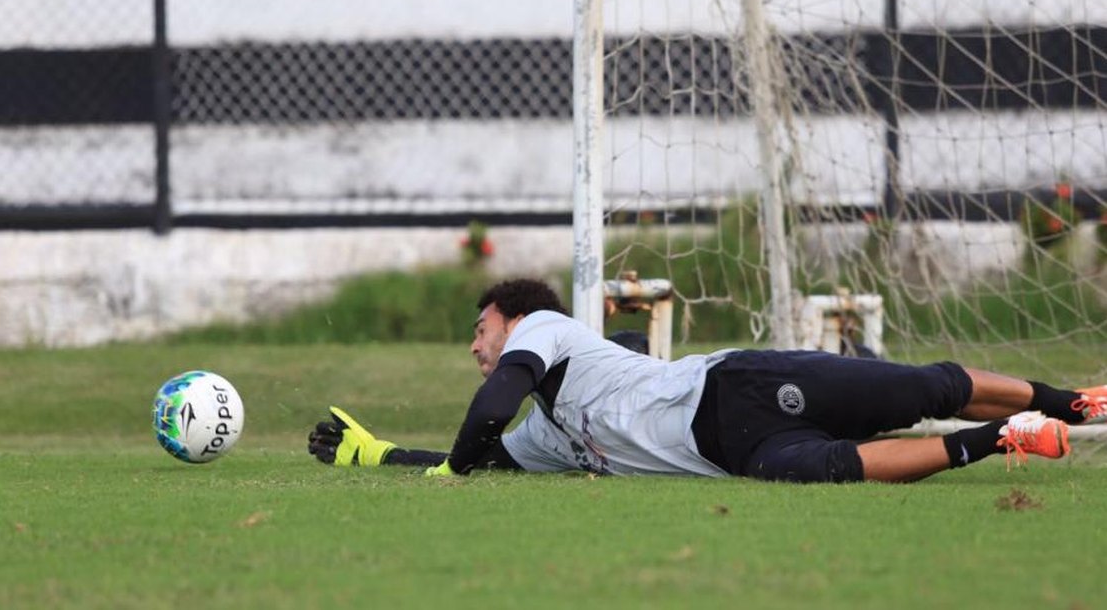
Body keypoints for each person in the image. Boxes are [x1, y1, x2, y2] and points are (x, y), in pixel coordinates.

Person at [307, 278, 1107, 483]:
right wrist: (371, 454)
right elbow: (484, 457)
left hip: (737, 387)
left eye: (478, 330)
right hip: (739, 453)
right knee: (829, 472)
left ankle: (1067, 401)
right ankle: (1003, 439)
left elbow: (491, 403)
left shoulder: (545, 331)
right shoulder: (546, 436)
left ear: (512, 320)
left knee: (921, 389)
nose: (473, 346)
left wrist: (455, 458)